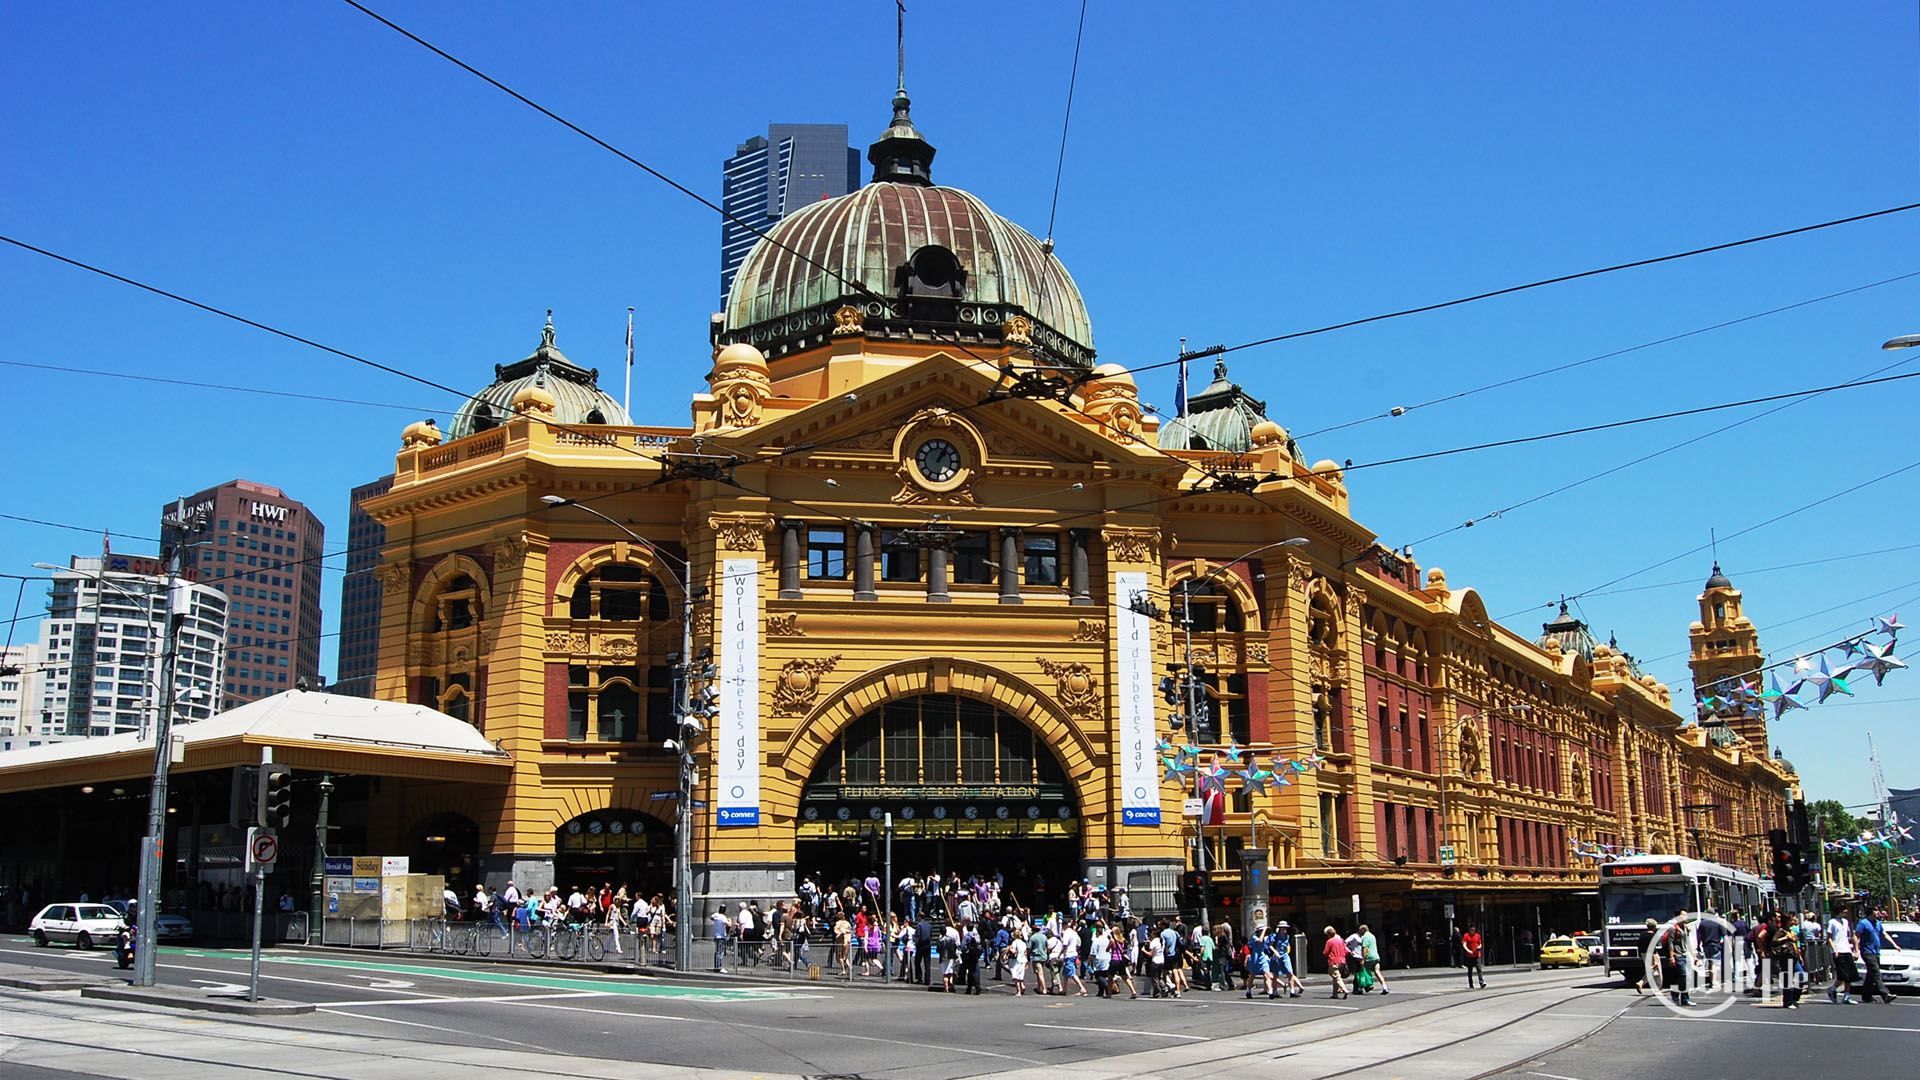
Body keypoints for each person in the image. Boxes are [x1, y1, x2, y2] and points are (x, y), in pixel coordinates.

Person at [1855, 905, 1897, 1005]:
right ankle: (1885, 995)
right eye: (1876, 910)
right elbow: (1856, 936)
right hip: (1867, 952)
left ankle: (1866, 996)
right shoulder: (1863, 923)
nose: (1878, 912)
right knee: (1876, 973)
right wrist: (1856, 950)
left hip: (1876, 952)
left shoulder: (1878, 923)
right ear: (1870, 912)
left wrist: (1894, 944)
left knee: (1871, 974)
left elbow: (1884, 934)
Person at [1827, 907, 1858, 1004]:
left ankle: (1846, 996)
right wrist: (1834, 949)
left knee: (1850, 974)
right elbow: (1829, 938)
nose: (1846, 913)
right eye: (1844, 911)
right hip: (1838, 950)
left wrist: (1855, 950)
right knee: (1843, 974)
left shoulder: (1846, 922)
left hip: (1847, 949)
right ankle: (1832, 989)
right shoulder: (1832, 922)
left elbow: (1851, 936)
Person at [1275, 921, 1304, 997]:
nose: (1284, 929)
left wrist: (1288, 951)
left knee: (1290, 973)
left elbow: (1287, 945)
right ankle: (1275, 992)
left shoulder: (1287, 936)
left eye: (1285, 928)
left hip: (1285, 955)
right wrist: (1275, 952)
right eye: (1283, 928)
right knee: (1275, 974)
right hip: (1277, 956)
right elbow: (1270, 945)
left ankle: (1292, 991)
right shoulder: (1275, 936)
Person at [1359, 923, 1390, 994]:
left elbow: (1365, 949)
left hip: (1369, 957)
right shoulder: (1372, 936)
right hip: (1376, 957)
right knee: (1377, 971)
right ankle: (1385, 987)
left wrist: (1363, 959)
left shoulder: (1365, 937)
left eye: (1360, 931)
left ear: (1363, 930)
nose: (1359, 932)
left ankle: (1367, 986)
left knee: (1364, 971)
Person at [1322, 925, 1350, 998]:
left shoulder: (1329, 941)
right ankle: (1335, 994)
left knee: (1337, 977)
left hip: (1334, 961)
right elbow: (1346, 951)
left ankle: (1345, 990)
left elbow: (1325, 952)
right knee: (1335, 978)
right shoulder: (1341, 940)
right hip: (1342, 961)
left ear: (1328, 934)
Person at [1461, 924, 1486, 988]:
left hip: (1477, 955)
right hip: (1469, 956)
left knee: (1479, 969)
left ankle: (1481, 982)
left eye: (1474, 929)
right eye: (1472, 929)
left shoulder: (1477, 935)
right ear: (1469, 929)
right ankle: (1471, 984)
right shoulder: (1466, 935)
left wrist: (1479, 947)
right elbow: (1464, 944)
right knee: (1470, 970)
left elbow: (1480, 944)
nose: (1473, 930)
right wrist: (1468, 950)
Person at [710, 906, 731, 972]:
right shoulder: (723, 917)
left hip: (716, 935)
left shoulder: (716, 915)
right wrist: (729, 920)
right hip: (721, 936)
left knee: (717, 952)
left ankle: (716, 966)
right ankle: (719, 967)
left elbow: (711, 917)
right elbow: (729, 925)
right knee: (720, 952)